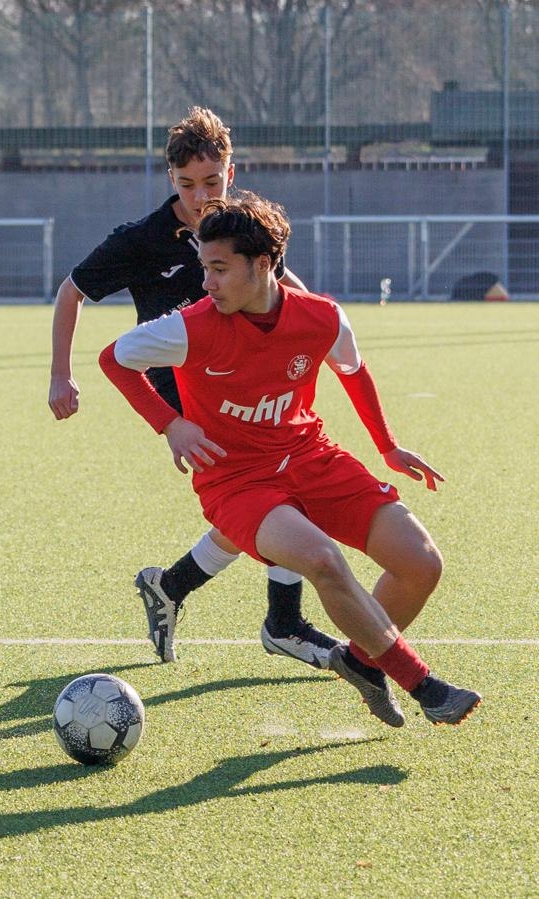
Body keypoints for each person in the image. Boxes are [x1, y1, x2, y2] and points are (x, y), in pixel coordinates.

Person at [99, 190, 482, 728]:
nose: (206, 283)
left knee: (421, 564)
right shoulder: (190, 326)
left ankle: (359, 660)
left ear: (263, 264)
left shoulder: (321, 317)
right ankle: (424, 684)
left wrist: (387, 446)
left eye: (218, 269)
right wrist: (171, 423)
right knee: (323, 560)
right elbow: (113, 359)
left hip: (310, 457)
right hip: (236, 481)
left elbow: (353, 371)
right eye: (204, 268)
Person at [49, 106, 339, 668]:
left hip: (251, 381)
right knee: (280, 488)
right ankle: (282, 623)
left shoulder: (240, 227)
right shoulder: (142, 240)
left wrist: (315, 322)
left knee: (278, 491)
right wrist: (62, 373)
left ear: (232, 172)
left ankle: (178, 589)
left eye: (212, 181)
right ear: (170, 179)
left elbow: (280, 286)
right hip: (190, 396)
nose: (201, 196)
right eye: (186, 184)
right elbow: (71, 291)